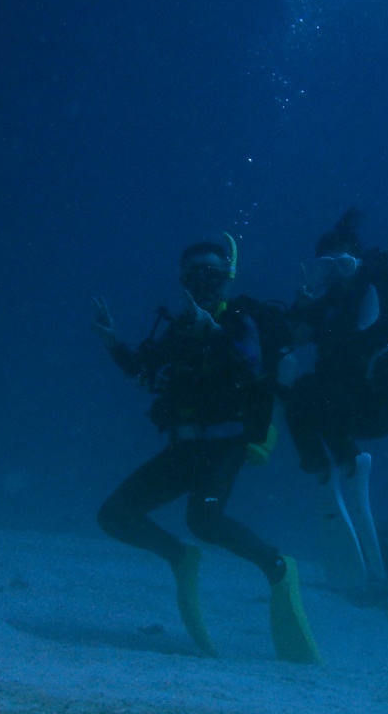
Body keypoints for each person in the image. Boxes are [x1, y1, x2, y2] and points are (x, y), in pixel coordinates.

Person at [92, 234, 321, 664]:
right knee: (114, 516)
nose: (202, 282)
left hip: (225, 445)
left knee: (204, 520)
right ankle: (179, 556)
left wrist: (212, 331)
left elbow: (250, 364)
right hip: (184, 447)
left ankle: (278, 567)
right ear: (183, 281)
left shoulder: (240, 319)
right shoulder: (179, 328)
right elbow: (143, 372)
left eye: (210, 274)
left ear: (226, 278)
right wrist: (113, 344)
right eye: (193, 275)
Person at [281, 209, 388, 592]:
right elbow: (292, 335)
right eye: (327, 266)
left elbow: (358, 337)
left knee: (307, 394)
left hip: (378, 405)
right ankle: (338, 467)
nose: (336, 273)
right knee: (307, 398)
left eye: (342, 263)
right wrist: (302, 306)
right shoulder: (329, 301)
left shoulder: (375, 290)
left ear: (358, 259)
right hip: (351, 405)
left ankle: (337, 468)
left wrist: (316, 321)